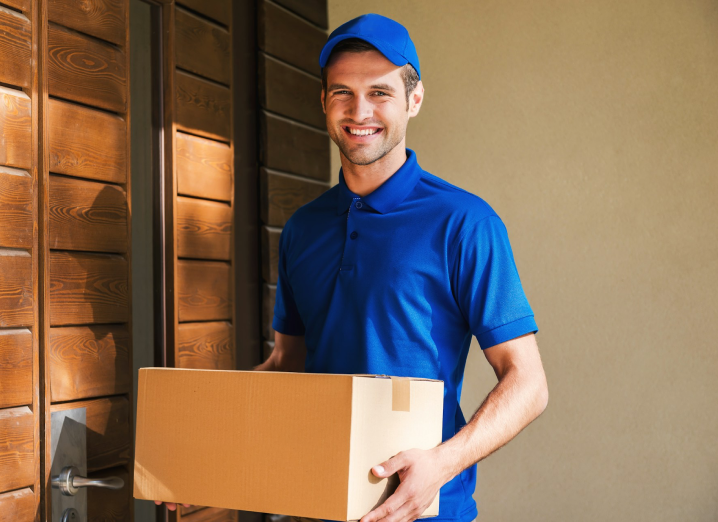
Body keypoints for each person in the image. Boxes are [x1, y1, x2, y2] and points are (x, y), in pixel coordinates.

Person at [159, 13, 548, 522]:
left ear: (414, 99)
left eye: (380, 92)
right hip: (311, 503)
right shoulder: (303, 228)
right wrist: (216, 458)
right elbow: (286, 365)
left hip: (423, 511)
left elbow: (527, 382)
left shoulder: (465, 222)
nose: (359, 110)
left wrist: (441, 463)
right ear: (323, 103)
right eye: (342, 92)